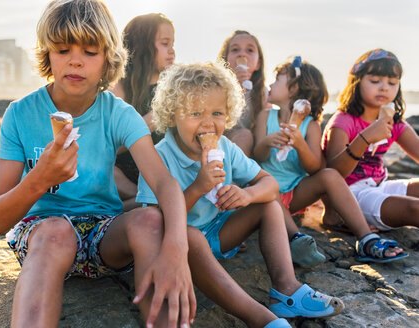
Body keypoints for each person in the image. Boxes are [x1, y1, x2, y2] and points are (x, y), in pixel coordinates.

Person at [0, 1, 196, 327]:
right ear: (47, 54)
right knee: (55, 231)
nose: (76, 60)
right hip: (42, 233)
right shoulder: (20, 114)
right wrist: (40, 179)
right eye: (63, 49)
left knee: (151, 221)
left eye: (90, 51)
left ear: (108, 58)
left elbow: (164, 182)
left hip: (104, 236)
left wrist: (177, 249)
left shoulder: (118, 113)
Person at [137, 61, 344, 327]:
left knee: (268, 204)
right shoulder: (159, 157)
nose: (208, 124)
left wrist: (247, 196)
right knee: (192, 236)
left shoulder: (225, 146)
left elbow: (269, 184)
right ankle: (258, 318)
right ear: (171, 114)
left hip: (220, 233)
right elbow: (152, 222)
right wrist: (198, 187)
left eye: (217, 113)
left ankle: (286, 289)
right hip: (181, 245)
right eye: (195, 113)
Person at [252, 56, 407, 266]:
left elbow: (315, 166)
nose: (270, 84)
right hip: (265, 191)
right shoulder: (265, 116)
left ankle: (366, 239)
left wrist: (300, 144)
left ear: (293, 88)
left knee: (330, 176)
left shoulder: (311, 125)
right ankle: (297, 239)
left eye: (277, 79)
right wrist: (268, 142)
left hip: (295, 192)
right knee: (268, 192)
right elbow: (256, 156)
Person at [322, 48, 419, 233]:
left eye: (392, 82)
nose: (384, 87)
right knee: (415, 209)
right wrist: (365, 138)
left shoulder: (394, 122)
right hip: (350, 195)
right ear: (356, 83)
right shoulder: (344, 120)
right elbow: (333, 174)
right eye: (375, 81)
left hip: (380, 185)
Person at [109, 13, 175, 211]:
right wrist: (149, 121)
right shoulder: (119, 88)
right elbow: (108, 147)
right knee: (106, 170)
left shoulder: (175, 87)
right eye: (165, 43)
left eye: (173, 43)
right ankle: (143, 200)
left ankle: (138, 205)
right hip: (127, 174)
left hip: (162, 170)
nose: (172, 51)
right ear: (141, 46)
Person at [218, 30, 269, 156]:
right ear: (225, 60)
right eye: (235, 50)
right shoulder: (216, 87)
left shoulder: (262, 93)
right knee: (244, 135)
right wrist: (234, 86)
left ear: (258, 63)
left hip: (251, 145)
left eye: (249, 50)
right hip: (221, 138)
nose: (242, 55)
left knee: (248, 135)